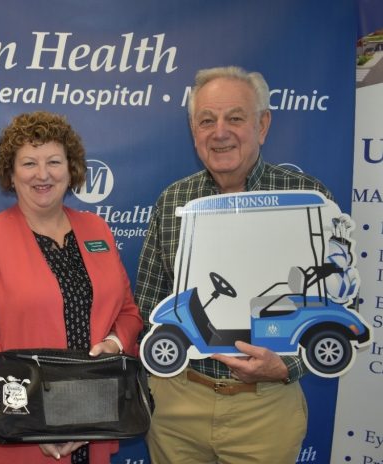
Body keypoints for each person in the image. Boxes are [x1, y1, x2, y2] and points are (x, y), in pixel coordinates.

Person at [135, 65, 333, 463]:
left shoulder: (308, 196)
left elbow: (336, 300)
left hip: (265, 408)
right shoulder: (175, 200)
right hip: (178, 403)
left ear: (262, 125)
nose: (219, 131)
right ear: (194, 132)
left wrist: (284, 367)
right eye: (206, 120)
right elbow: (148, 303)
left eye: (235, 118)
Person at [0, 111, 142, 463]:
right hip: (19, 428)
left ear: (71, 169)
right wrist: (32, 425)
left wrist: (116, 342)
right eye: (29, 163)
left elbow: (128, 313)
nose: (43, 174)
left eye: (54, 161)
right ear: (11, 173)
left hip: (92, 417)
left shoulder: (96, 230)